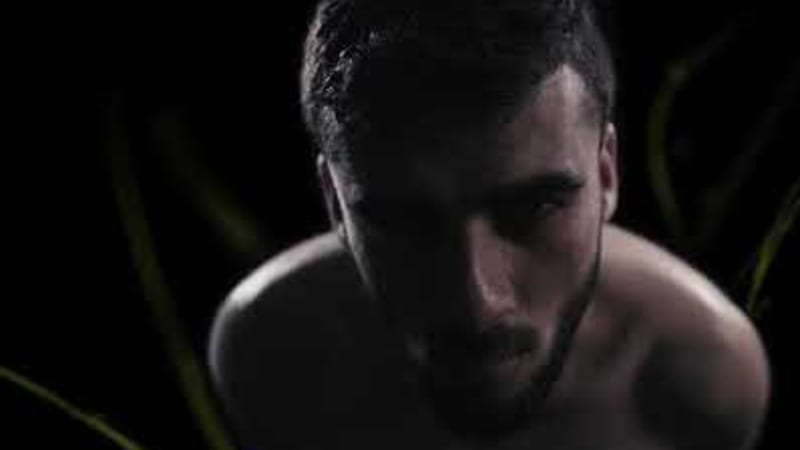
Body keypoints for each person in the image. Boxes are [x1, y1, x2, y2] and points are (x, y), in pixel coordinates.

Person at [207, 1, 770, 448]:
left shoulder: (704, 378)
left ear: (607, 175)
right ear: (333, 201)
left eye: (535, 207)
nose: (475, 306)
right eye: (401, 221)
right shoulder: (269, 358)